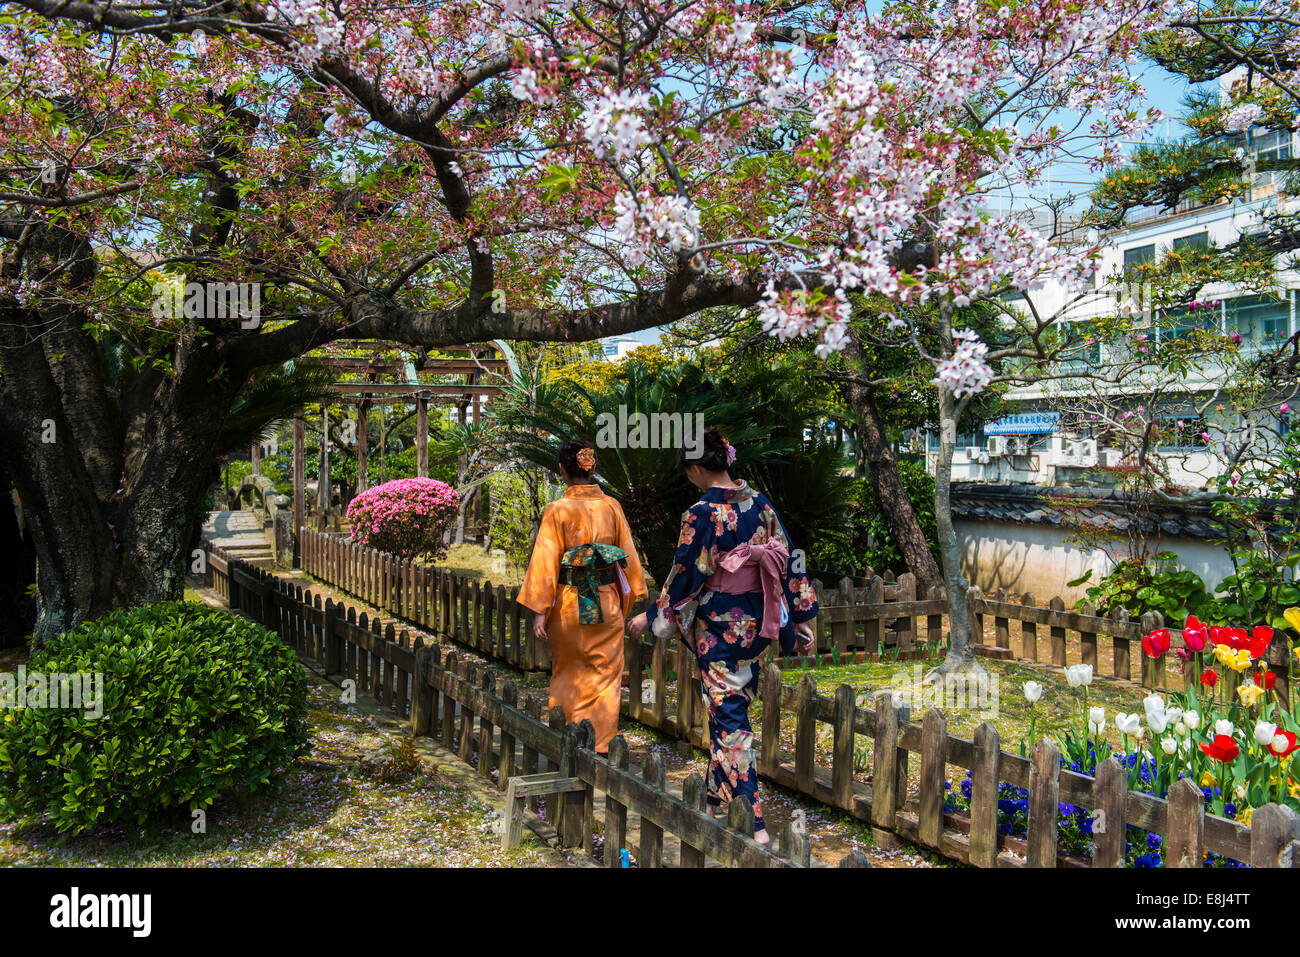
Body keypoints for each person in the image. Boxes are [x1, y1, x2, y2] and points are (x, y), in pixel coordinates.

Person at [628, 429, 818, 845]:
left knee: (730, 718)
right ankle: (715, 799)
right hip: (760, 625)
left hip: (719, 630)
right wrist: (801, 614)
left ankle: (753, 820)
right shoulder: (761, 502)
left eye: (688, 472)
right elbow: (791, 556)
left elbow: (684, 576)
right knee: (726, 709)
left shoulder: (701, 514)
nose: (690, 480)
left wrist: (652, 616)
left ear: (697, 468)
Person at [517, 440, 648, 754]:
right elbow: (628, 560)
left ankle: (568, 737)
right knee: (605, 673)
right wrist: (626, 603)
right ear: (593, 469)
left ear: (562, 470)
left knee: (568, 670)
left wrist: (540, 611)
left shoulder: (557, 510)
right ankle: (601, 745)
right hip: (606, 602)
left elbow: (546, 562)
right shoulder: (612, 507)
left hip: (570, 603)